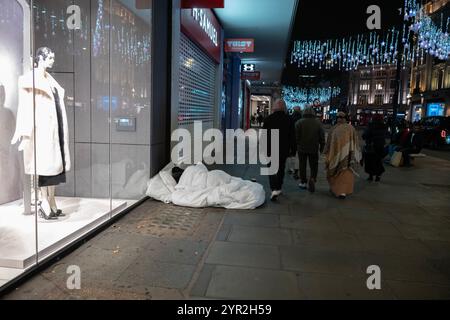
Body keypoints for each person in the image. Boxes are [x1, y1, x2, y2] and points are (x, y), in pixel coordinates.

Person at [11, 47, 71, 220]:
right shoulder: (30, 80)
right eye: (50, 57)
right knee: (45, 168)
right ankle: (44, 203)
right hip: (42, 131)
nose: (53, 60)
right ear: (41, 58)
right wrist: (24, 133)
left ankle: (52, 201)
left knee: (55, 169)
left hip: (54, 130)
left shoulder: (50, 81)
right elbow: (25, 107)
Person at [263, 99, 296, 201]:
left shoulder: (269, 118)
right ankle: (279, 187)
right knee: (281, 168)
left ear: (274, 107)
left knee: (271, 169)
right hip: (283, 148)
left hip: (270, 148)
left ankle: (274, 189)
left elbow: (264, 135)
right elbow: (292, 136)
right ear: (284, 107)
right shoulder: (289, 119)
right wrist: (293, 150)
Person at [324, 112, 361, 199]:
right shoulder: (351, 128)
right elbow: (355, 142)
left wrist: (327, 151)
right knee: (346, 173)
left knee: (335, 172)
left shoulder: (334, 129)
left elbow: (329, 143)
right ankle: (343, 191)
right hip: (348, 156)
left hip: (335, 155)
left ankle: (336, 189)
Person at [295, 107, 325, 193]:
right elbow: (322, 136)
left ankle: (303, 182)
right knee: (314, 165)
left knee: (302, 165)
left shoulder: (299, 122)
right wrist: (322, 146)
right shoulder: (318, 123)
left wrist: (296, 145)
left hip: (302, 148)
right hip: (314, 148)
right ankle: (312, 178)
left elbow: (296, 137)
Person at [362, 116, 388, 182]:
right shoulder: (384, 126)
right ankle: (378, 176)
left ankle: (370, 176)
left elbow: (365, 135)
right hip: (380, 147)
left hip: (371, 147)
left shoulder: (371, 125)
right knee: (378, 161)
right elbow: (386, 135)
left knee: (370, 161)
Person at [288, 106, 303, 179]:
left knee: (292, 154)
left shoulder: (290, 118)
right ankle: (296, 169)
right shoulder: (302, 118)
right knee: (298, 155)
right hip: (300, 139)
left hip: (292, 139)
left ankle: (291, 168)